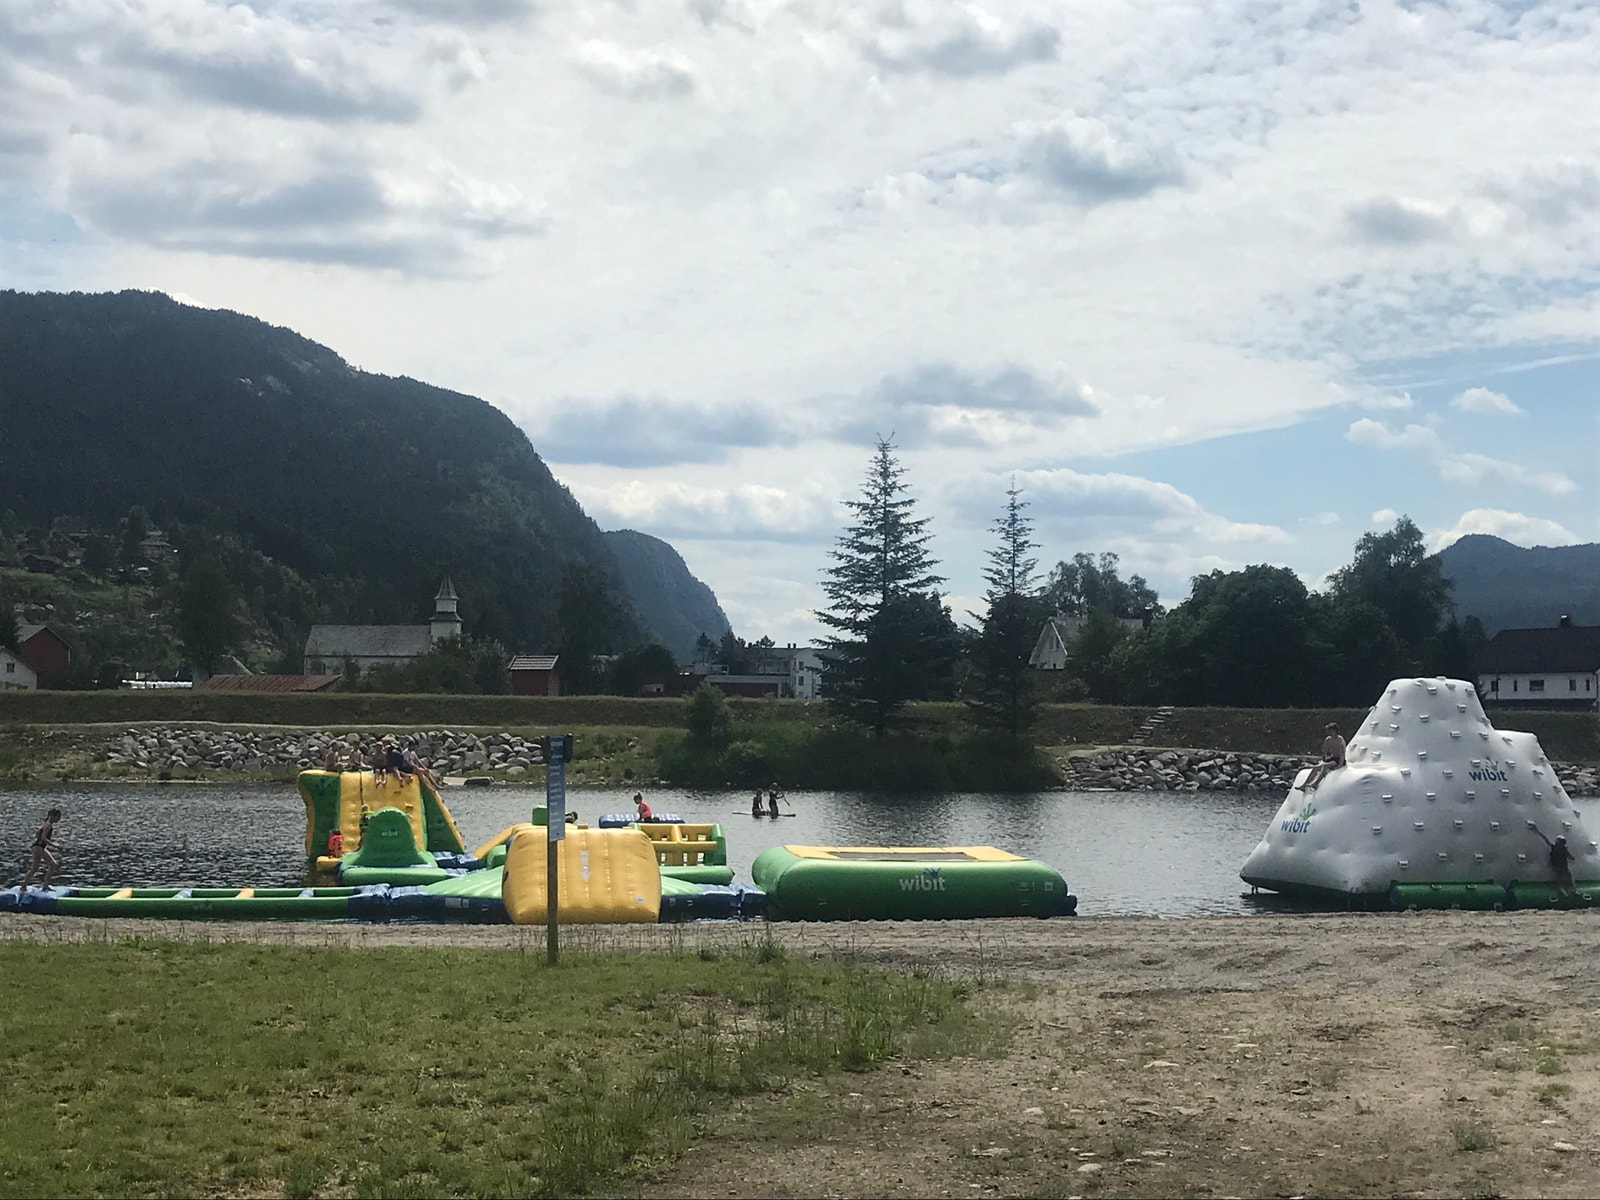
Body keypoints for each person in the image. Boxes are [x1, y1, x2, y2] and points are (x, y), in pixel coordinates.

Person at [1297, 723, 1346, 791]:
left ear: (1334, 730)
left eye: (1329, 730)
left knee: (1325, 766)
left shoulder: (1340, 740)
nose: (1328, 732)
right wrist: (1324, 759)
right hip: (1331, 759)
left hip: (1338, 760)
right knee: (1316, 768)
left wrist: (1339, 765)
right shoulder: (1328, 740)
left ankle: (1315, 783)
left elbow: (1342, 753)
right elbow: (1325, 751)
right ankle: (1304, 785)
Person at [1531, 827, 1578, 899]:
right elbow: (1572, 858)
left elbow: (1545, 839)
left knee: (1559, 883)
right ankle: (1575, 890)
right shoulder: (1564, 850)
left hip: (1556, 867)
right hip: (1564, 867)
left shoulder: (1554, 847)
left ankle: (1564, 894)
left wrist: (1537, 830)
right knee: (1570, 878)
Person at [21, 808, 62, 889]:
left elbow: (37, 834)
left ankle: (24, 886)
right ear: (53, 816)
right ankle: (45, 886)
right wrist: (54, 845)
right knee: (52, 865)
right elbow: (43, 838)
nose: (59, 819)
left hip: (38, 847)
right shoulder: (48, 825)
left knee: (35, 868)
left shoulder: (46, 824)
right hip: (38, 848)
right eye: (58, 817)